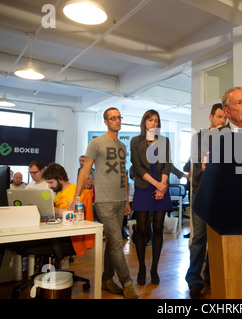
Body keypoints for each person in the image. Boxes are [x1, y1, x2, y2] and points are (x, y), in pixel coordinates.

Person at [72, 107, 138, 299]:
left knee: (112, 242)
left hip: (119, 200)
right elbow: (85, 171)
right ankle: (127, 283)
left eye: (119, 117)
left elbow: (124, 175)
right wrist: (76, 197)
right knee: (117, 242)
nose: (117, 121)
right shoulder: (96, 143)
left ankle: (107, 279)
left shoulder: (122, 147)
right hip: (104, 200)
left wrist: (126, 201)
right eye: (113, 118)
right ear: (106, 121)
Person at [185, 102, 226, 298]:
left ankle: (210, 275)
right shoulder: (198, 138)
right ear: (211, 118)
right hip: (201, 193)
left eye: (225, 118)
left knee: (215, 238)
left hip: (219, 197)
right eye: (219, 117)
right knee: (199, 238)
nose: (222, 121)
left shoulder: (227, 140)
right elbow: (195, 172)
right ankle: (193, 278)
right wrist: (205, 168)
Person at [130, 109, 171, 286]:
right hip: (145, 186)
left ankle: (154, 269)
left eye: (156, 120)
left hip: (162, 184)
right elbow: (137, 167)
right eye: (150, 120)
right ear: (144, 122)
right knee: (141, 228)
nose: (153, 123)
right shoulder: (135, 141)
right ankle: (141, 268)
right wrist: (157, 185)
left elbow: (167, 164)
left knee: (158, 228)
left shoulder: (164, 141)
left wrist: (162, 185)